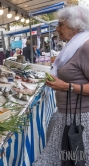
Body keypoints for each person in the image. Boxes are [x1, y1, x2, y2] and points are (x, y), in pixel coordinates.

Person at [33, 6, 89, 166]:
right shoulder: (73, 47)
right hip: (68, 116)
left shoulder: (86, 47)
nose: (57, 28)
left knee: (73, 160)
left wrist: (65, 86)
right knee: (65, 159)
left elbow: (69, 84)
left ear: (75, 26)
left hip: (81, 120)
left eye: (61, 24)